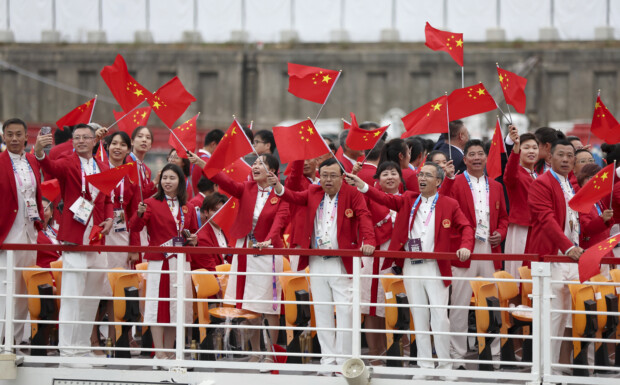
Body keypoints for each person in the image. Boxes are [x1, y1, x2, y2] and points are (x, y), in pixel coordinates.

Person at [346, 161, 472, 379]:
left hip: (436, 267)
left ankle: (445, 366)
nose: (422, 178)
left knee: (440, 317)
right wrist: (363, 186)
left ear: (439, 181)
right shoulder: (408, 199)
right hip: (412, 267)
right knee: (419, 316)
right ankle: (424, 366)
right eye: (421, 174)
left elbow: (466, 227)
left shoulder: (449, 203)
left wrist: (465, 246)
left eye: (428, 176)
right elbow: (383, 198)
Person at [269, 158, 376, 370]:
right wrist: (277, 186)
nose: (327, 180)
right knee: (322, 310)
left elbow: (364, 216)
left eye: (333, 176)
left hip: (341, 261)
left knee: (345, 311)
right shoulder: (312, 191)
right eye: (324, 175)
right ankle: (328, 361)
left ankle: (344, 360)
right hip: (317, 260)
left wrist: (369, 241)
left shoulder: (352, 194)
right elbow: (293, 196)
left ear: (342, 177)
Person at [189, 152, 290, 362]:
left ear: (271, 171)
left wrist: (269, 240)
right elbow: (222, 179)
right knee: (248, 306)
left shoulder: (280, 193)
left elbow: (281, 220)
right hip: (245, 251)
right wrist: (202, 163)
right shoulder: (246, 188)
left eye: (260, 163)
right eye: (254, 163)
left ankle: (270, 354)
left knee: (269, 307)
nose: (255, 166)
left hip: (268, 255)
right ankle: (255, 352)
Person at [34, 123, 114, 365]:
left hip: (97, 239)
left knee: (91, 297)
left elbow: (107, 197)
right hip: (74, 239)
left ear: (94, 141)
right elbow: (49, 166)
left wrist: (109, 218)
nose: (80, 141)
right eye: (76, 138)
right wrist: (39, 151)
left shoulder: (102, 165)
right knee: (72, 296)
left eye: (85, 137)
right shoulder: (68, 162)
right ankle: (67, 351)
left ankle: (81, 348)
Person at [439, 139, 508, 367]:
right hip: (463, 248)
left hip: (489, 247)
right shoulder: (456, 182)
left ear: (486, 158)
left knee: (491, 301)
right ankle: (457, 354)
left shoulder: (496, 185)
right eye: (472, 154)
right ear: (465, 159)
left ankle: (492, 352)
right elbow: (442, 202)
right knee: (459, 303)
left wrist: (500, 231)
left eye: (480, 154)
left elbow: (505, 217)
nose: (477, 158)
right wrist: (448, 178)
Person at [129, 163, 198, 363]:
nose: (167, 182)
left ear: (181, 182)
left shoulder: (188, 207)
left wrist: (194, 239)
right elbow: (135, 226)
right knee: (156, 307)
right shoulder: (150, 203)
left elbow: (192, 233)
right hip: (159, 263)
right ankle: (159, 352)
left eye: (172, 178)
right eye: (164, 178)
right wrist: (139, 213)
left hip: (181, 262)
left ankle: (168, 352)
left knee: (176, 308)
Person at [527, 139, 581, 374]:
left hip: (571, 258)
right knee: (551, 318)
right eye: (561, 155)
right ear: (549, 158)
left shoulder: (570, 183)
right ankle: (543, 371)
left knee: (566, 317)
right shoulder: (542, 183)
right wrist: (569, 247)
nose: (567, 160)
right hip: (553, 258)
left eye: (570, 155)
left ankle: (554, 368)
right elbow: (546, 219)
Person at [0, 118, 45, 346]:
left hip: (30, 233)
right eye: (10, 134)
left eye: (19, 134)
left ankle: (16, 341)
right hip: (7, 235)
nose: (15, 139)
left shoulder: (31, 161)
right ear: (3, 137)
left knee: (22, 291)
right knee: (3, 289)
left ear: (27, 137)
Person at [503, 127, 539, 279]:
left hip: (539, 229)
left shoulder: (538, 175)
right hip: (521, 228)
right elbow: (509, 173)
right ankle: (516, 302)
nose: (531, 151)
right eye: (527, 148)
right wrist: (515, 150)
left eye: (535, 148)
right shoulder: (516, 172)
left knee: (536, 270)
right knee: (520, 271)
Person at [192, 192, 229, 271]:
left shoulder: (225, 231)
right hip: (213, 279)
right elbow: (210, 269)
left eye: (223, 210)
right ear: (206, 212)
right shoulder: (202, 238)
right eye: (215, 211)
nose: (219, 214)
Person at [191, 129, 224, 196]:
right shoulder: (206, 162)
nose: (222, 151)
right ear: (213, 144)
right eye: (221, 147)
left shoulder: (197, 157)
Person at [36, 197, 61, 269]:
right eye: (39, 209)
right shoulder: (33, 233)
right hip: (43, 273)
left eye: (45, 209)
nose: (41, 212)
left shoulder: (57, 232)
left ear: (51, 213)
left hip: (61, 271)